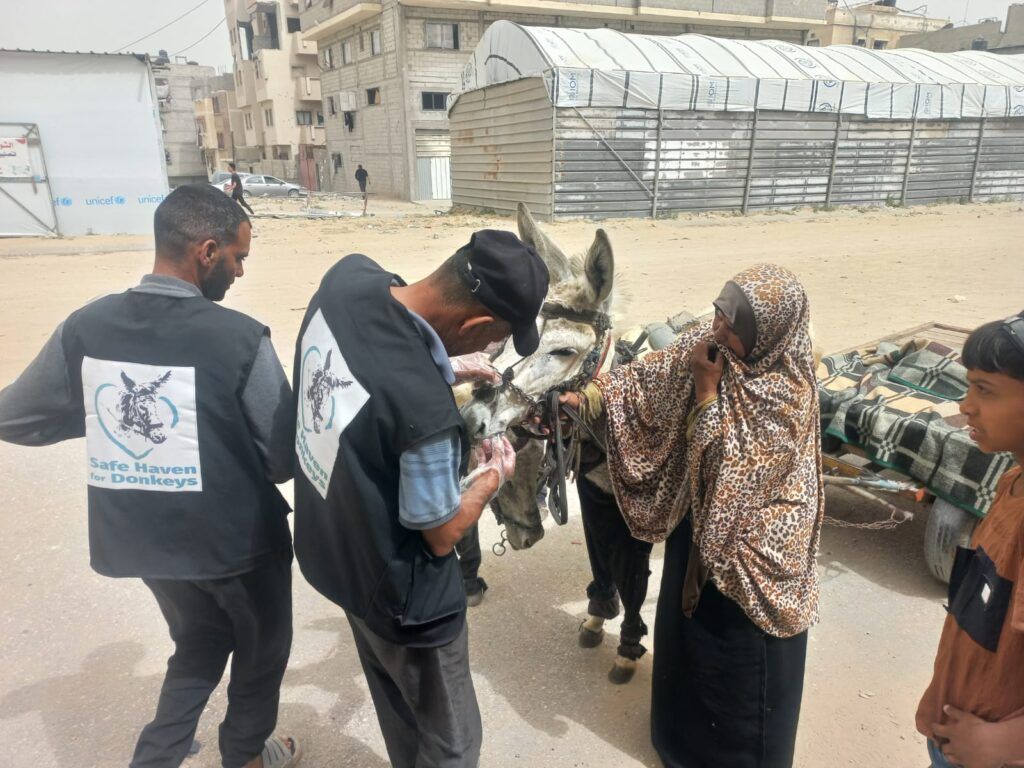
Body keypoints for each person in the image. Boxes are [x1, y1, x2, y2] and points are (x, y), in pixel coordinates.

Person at [0, 185, 300, 768]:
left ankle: (156, 757)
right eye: (238, 257)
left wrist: (107, 421)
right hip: (237, 549)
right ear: (207, 252)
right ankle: (246, 757)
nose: (239, 272)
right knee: (260, 656)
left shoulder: (85, 326)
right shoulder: (240, 338)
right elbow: (281, 459)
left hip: (142, 542)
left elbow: (16, 416)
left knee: (198, 643)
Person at [292, 230, 548, 767]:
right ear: (478, 327)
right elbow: (441, 532)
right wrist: (494, 477)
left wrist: (443, 366)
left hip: (337, 555)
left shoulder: (348, 277)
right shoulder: (425, 413)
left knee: (398, 710)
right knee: (452, 742)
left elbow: (368, 365)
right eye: (498, 337)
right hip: (406, 603)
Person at [562, 263, 823, 767]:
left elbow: (729, 475)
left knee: (738, 661)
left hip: (754, 547)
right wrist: (589, 397)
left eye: (733, 325)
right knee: (688, 643)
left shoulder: (786, 394)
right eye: (719, 315)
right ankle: (679, 740)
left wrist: (706, 392)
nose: (719, 330)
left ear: (768, 332)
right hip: (699, 524)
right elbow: (651, 372)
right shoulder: (713, 343)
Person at [916, 311, 1024, 768]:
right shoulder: (1012, 482)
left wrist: (1004, 744)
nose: (965, 405)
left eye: (985, 390)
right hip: (961, 729)